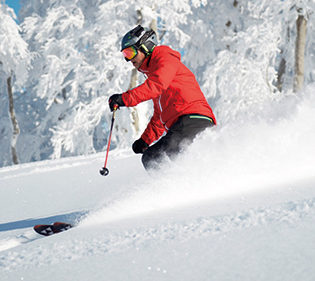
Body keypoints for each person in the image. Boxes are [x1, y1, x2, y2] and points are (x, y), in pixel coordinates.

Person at [109, 25, 216, 170]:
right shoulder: (155, 72)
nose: (129, 60)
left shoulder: (164, 58)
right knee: (159, 159)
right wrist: (145, 141)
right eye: (125, 55)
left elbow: (156, 85)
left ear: (145, 46)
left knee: (154, 159)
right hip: (186, 123)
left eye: (130, 52)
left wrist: (124, 99)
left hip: (193, 120)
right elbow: (160, 116)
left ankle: (174, 189)